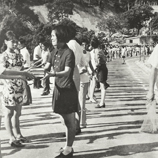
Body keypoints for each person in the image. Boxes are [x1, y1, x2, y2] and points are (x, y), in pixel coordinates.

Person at [44, 24, 78, 158]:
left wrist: (52, 75)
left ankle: (69, 149)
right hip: (58, 89)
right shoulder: (54, 51)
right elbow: (48, 65)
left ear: (61, 37)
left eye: (53, 36)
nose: (51, 38)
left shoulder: (69, 52)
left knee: (69, 122)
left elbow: (67, 71)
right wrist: (43, 68)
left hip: (67, 91)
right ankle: (67, 146)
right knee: (64, 121)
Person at [0, 30, 35, 147]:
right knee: (9, 113)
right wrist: (20, 74)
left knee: (18, 113)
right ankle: (11, 138)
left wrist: (27, 75)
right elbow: (2, 72)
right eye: (12, 41)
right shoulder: (3, 56)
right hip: (9, 88)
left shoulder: (19, 55)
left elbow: (23, 70)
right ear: (5, 41)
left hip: (20, 87)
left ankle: (18, 135)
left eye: (16, 42)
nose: (15, 44)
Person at [89, 37, 109, 108]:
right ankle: (102, 102)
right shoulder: (99, 50)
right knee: (102, 86)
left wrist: (95, 70)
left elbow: (98, 62)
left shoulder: (97, 51)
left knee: (102, 86)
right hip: (102, 68)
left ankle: (102, 103)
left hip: (101, 69)